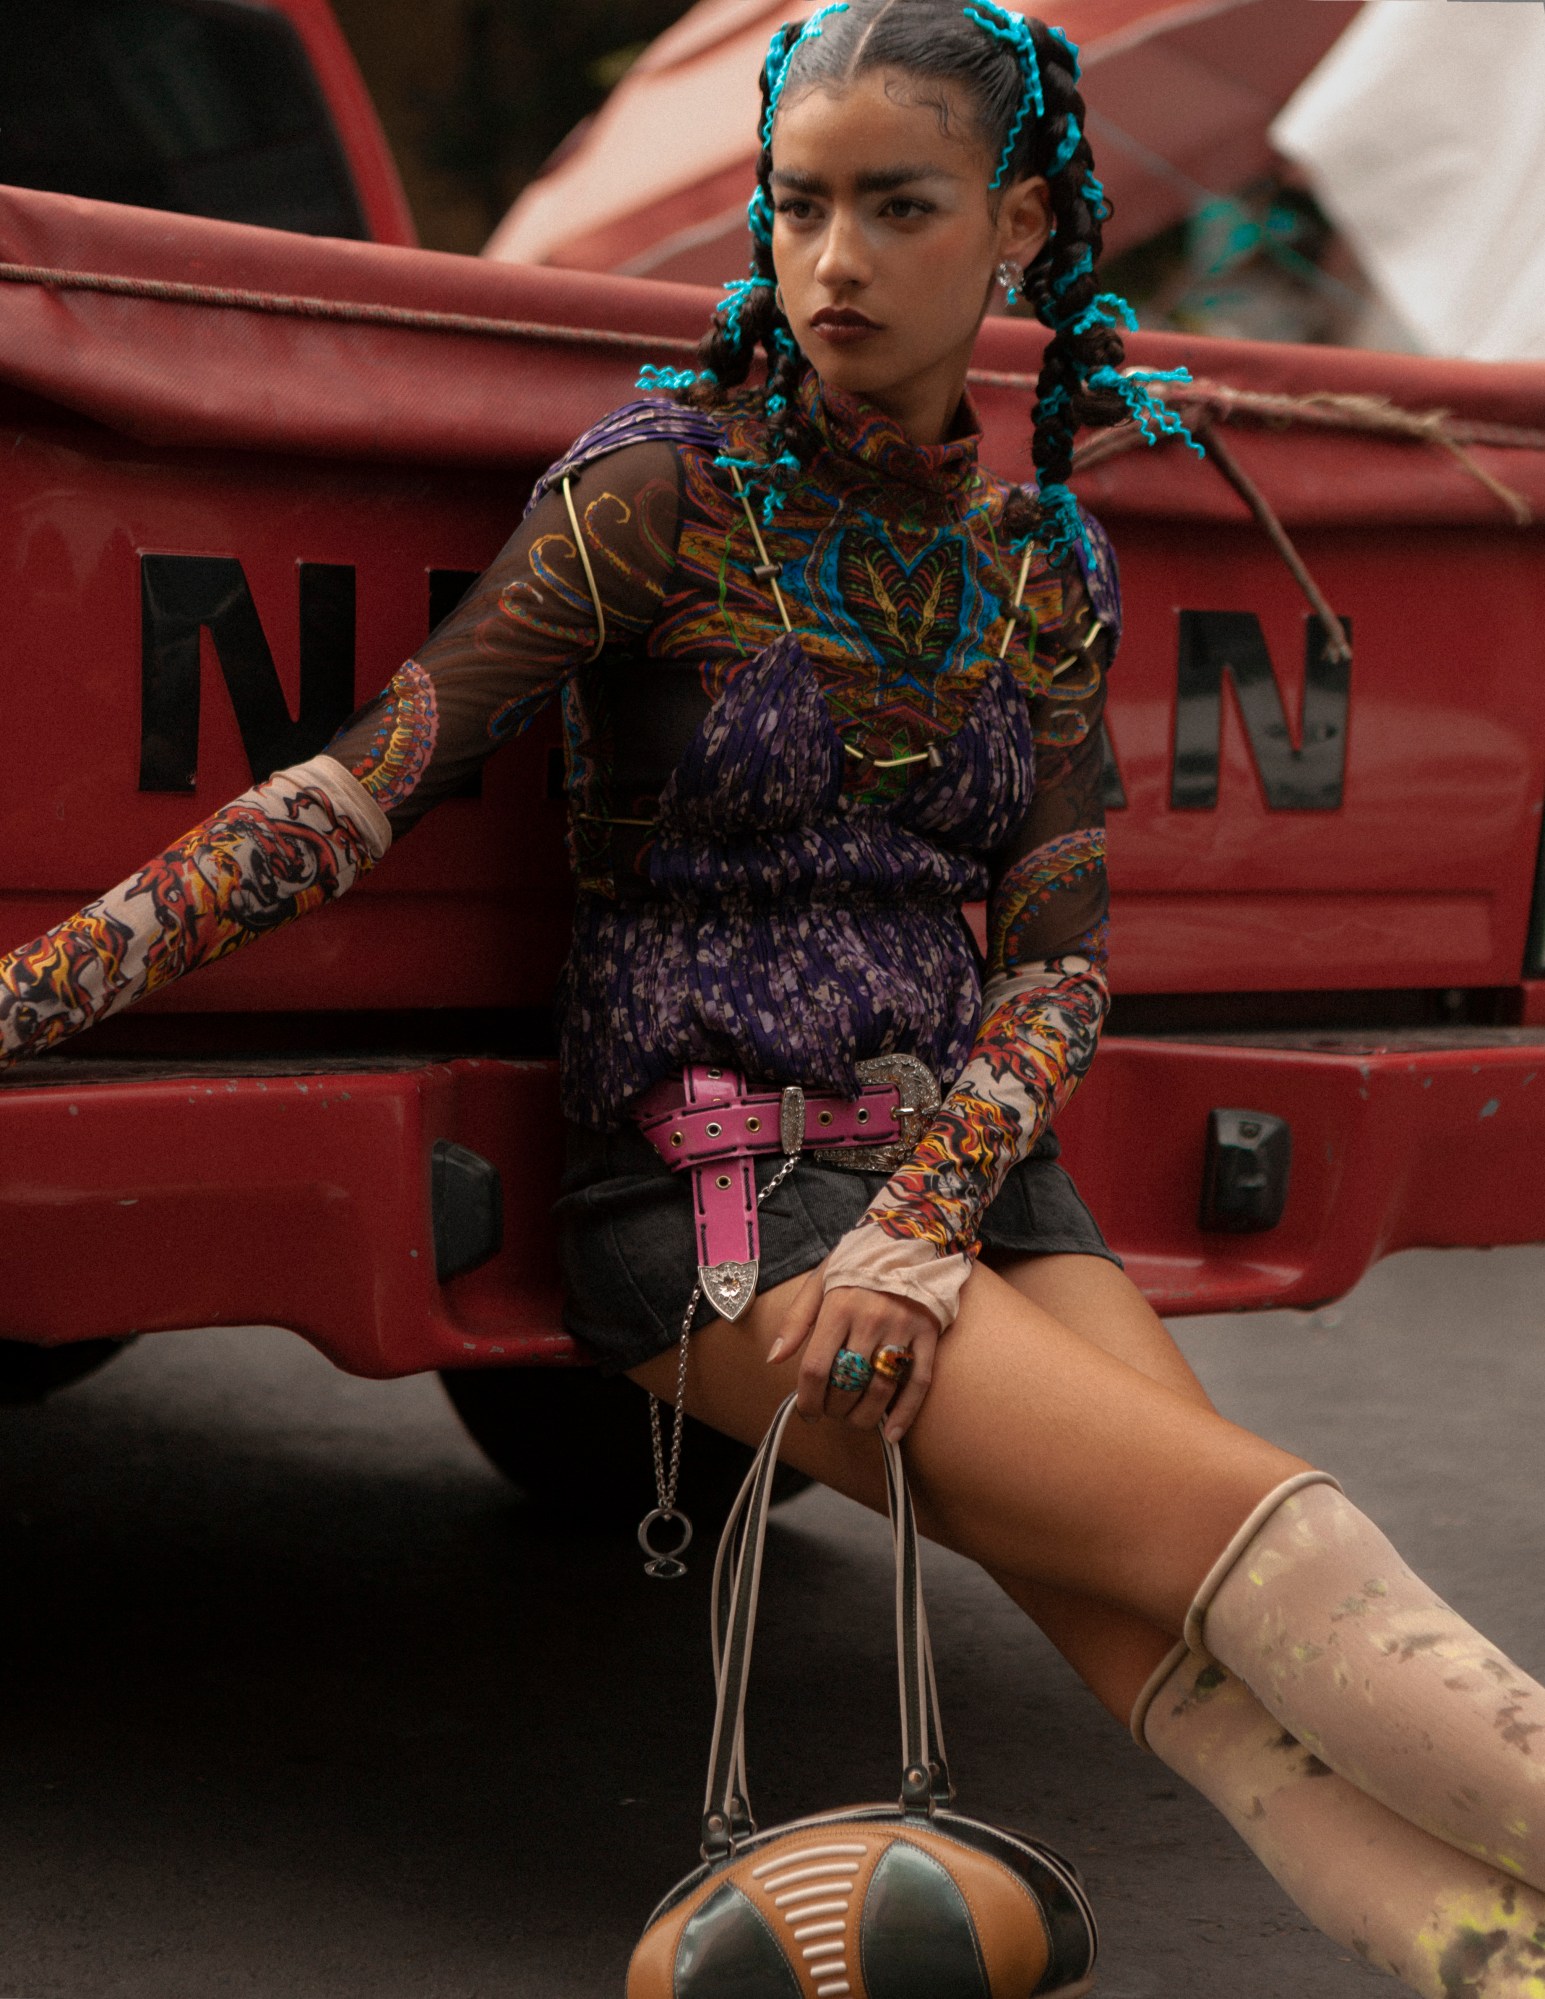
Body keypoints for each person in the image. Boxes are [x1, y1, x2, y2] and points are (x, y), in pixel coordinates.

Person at [2, 4, 1542, 1989]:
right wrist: (28, 1002)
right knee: (1267, 1542)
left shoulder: (1039, 559)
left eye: (893, 207)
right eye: (796, 204)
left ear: (1012, 230)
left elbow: (1059, 955)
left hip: (958, 1176)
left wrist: (930, 1219)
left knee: (1186, 1641)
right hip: (717, 1192)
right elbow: (348, 791)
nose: (828, 261)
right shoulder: (655, 488)